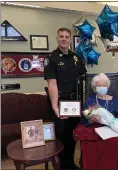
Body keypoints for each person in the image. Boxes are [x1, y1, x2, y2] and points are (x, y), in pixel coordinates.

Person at [44, 27, 87, 169]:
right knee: (61, 137)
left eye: (66, 37)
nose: (64, 39)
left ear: (70, 39)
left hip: (75, 102)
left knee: (72, 135)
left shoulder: (76, 57)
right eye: (61, 36)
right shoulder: (51, 59)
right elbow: (52, 84)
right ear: (57, 38)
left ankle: (70, 164)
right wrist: (55, 106)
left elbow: (83, 79)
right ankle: (61, 166)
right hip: (60, 102)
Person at [76, 73, 118, 169]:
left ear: (107, 87)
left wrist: (111, 120)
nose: (101, 88)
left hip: (110, 127)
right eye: (99, 86)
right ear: (94, 88)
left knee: (114, 141)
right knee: (92, 143)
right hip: (94, 127)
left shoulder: (115, 100)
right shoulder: (90, 100)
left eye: (104, 85)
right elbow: (83, 120)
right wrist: (91, 120)